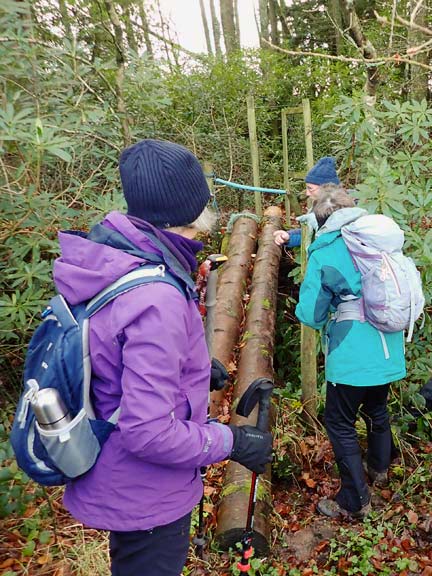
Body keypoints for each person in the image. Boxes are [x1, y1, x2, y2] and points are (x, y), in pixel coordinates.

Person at [53, 139, 273, 575]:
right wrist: (232, 442)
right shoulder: (156, 296)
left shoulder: (121, 261)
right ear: (194, 206)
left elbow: (114, 362)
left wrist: (192, 370)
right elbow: (148, 432)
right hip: (146, 495)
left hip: (123, 479)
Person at [295, 185, 406, 519]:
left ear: (319, 220)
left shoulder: (326, 250)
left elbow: (310, 314)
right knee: (377, 409)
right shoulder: (375, 240)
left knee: (339, 422)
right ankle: (379, 470)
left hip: (352, 354)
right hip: (389, 346)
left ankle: (354, 500)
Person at [273, 156, 341, 248]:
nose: (307, 193)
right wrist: (289, 236)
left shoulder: (343, 212)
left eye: (310, 189)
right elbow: (309, 232)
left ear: (326, 188)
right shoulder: (319, 205)